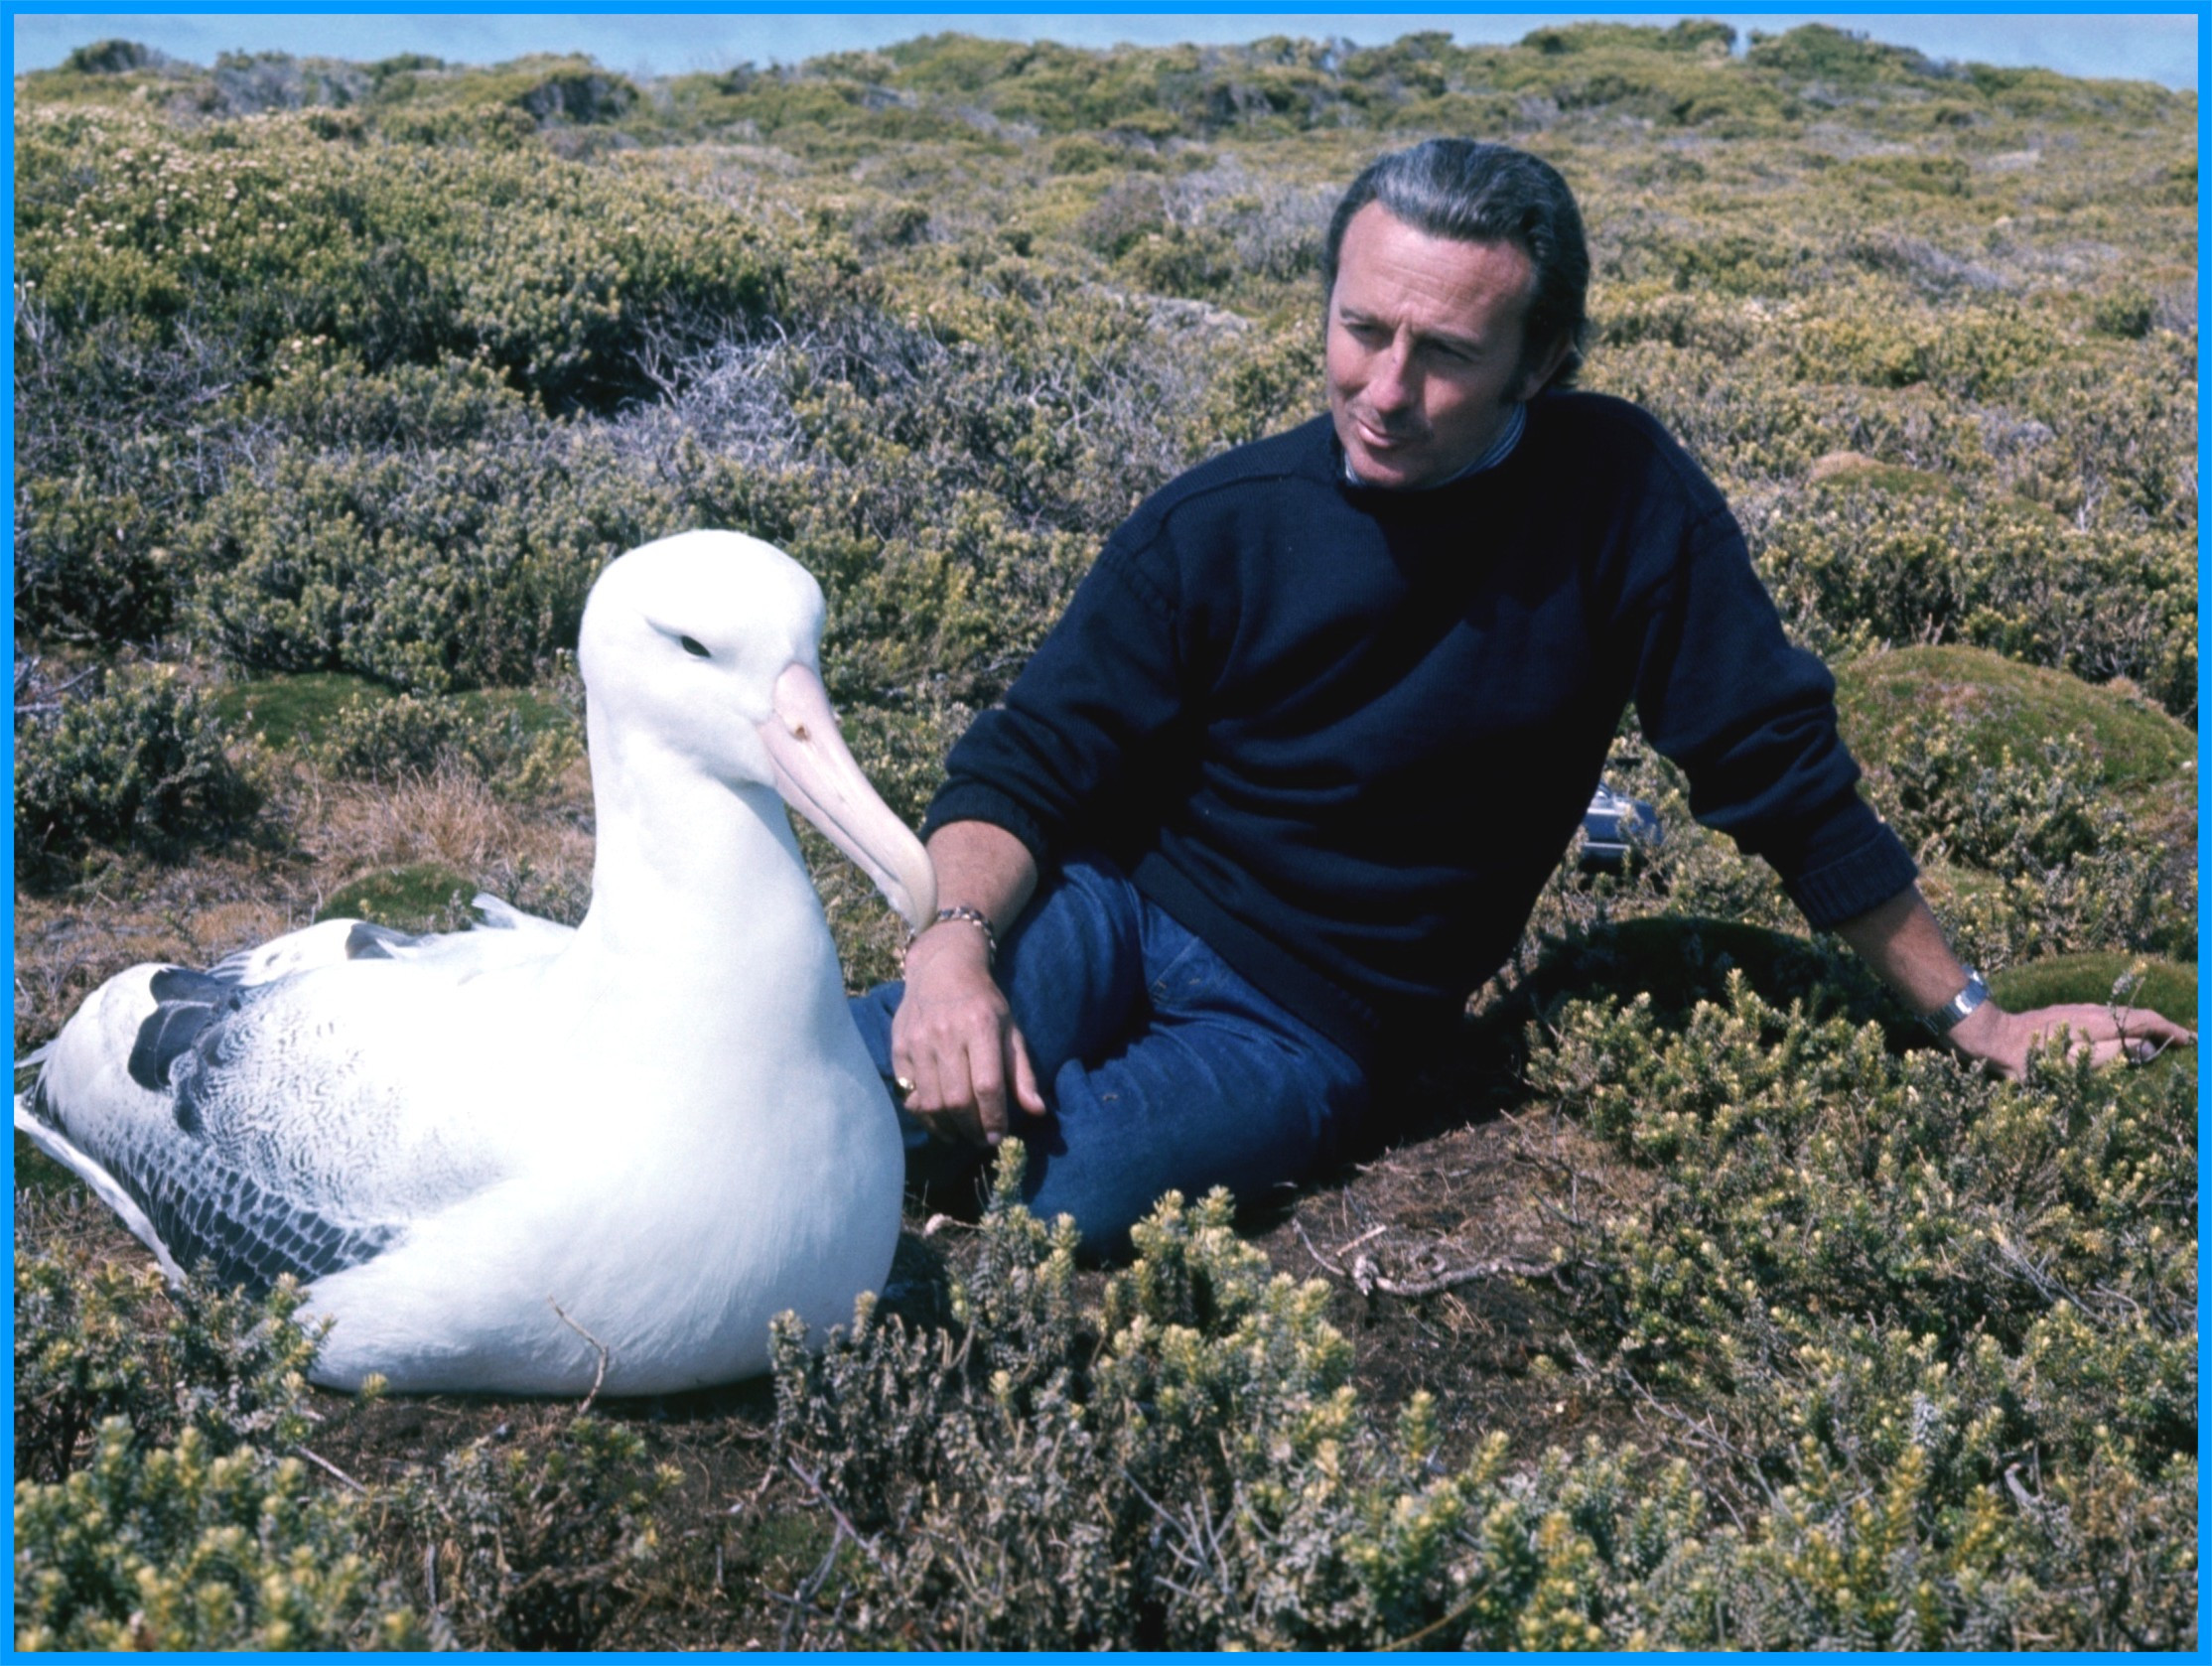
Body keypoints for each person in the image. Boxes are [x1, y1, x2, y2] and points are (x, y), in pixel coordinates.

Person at [847, 139, 2193, 1254]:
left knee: (1067, 1199)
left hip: (1316, 1014)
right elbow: (1025, 761)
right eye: (1359, 329)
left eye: (1442, 353)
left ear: (1539, 366)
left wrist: (1981, 1017)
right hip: (1122, 902)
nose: (1383, 392)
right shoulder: (1219, 524)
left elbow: (1778, 779)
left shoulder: (1619, 503)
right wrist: (953, 951)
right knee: (850, 1087)